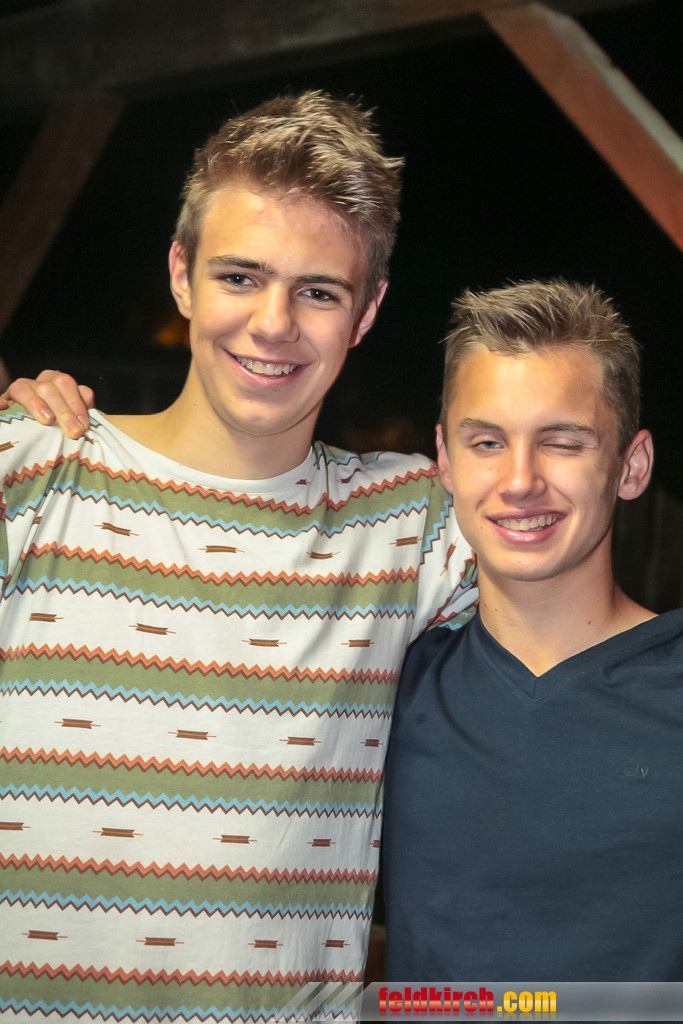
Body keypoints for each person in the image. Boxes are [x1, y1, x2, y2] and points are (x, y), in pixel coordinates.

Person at [0, 91, 477, 1023]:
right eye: (240, 276)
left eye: (319, 291)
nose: (272, 323)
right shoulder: (29, 469)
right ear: (181, 275)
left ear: (367, 311)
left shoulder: (413, 522)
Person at [383, 279, 683, 982]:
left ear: (631, 466)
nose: (519, 481)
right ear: (445, 460)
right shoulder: (387, 689)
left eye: (562, 443)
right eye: (487, 442)